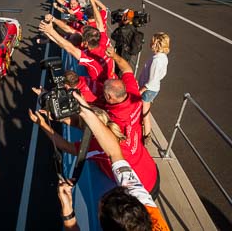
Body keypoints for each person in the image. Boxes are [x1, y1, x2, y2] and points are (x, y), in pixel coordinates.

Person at [57, 92, 170, 231]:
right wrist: (68, 213)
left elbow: (113, 152)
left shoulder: (144, 203)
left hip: (151, 178)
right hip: (151, 175)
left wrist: (86, 112)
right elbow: (115, 152)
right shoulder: (143, 200)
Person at [103, 45, 159, 196]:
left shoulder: (113, 121)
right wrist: (114, 55)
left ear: (109, 97)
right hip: (151, 170)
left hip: (138, 190)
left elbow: (75, 148)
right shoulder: (133, 93)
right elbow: (127, 69)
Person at [138, 32, 170, 144]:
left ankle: (146, 135)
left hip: (148, 90)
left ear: (156, 44)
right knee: (145, 110)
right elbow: (162, 75)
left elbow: (152, 80)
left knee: (145, 113)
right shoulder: (163, 57)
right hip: (154, 89)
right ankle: (145, 132)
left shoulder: (157, 60)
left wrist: (142, 89)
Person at [110, 9, 140, 76]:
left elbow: (113, 36)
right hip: (126, 53)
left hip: (122, 54)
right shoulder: (131, 27)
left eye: (122, 16)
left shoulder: (124, 30)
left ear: (126, 18)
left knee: (119, 71)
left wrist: (120, 25)